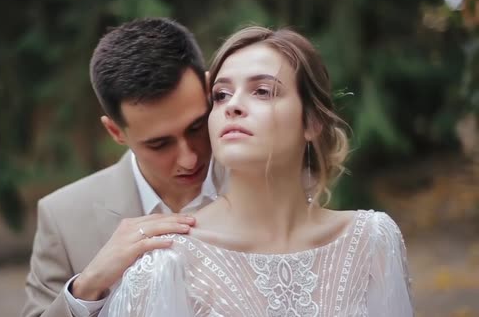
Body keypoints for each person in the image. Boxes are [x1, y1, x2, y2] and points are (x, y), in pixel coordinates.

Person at [99, 26, 414, 316]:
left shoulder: (372, 240)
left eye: (262, 90)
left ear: (311, 121)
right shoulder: (167, 263)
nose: (233, 105)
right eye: (221, 95)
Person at [22, 18, 227, 317]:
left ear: (209, 90)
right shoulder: (62, 218)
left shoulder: (270, 184)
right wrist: (87, 286)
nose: (189, 159)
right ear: (116, 132)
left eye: (196, 126)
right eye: (159, 144)